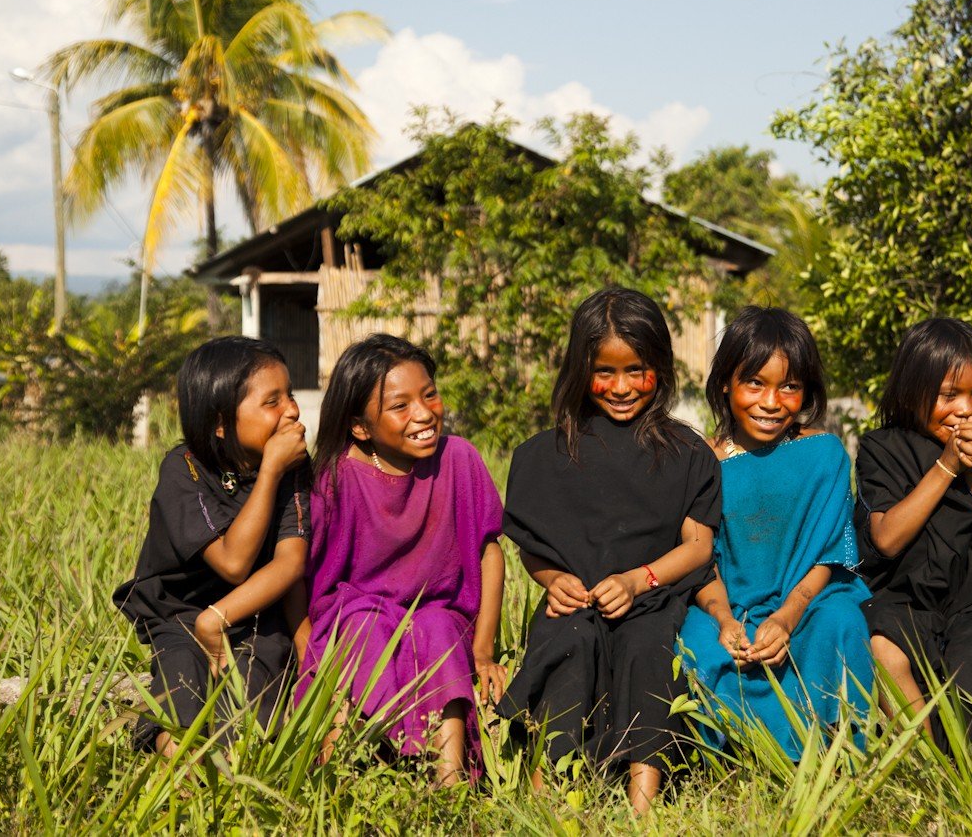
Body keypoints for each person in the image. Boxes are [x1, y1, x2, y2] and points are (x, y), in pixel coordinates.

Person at [497, 286, 719, 815]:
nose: (621, 387)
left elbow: (697, 547)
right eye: (605, 372)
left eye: (636, 370)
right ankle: (549, 790)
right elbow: (535, 546)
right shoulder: (545, 456)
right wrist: (553, 580)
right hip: (574, 603)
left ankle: (644, 802)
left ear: (660, 370)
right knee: (567, 643)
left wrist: (639, 580)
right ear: (580, 369)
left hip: (652, 600)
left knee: (647, 650)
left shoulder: (687, 453)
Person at [295, 334, 506, 786]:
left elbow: (490, 550)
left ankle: (450, 780)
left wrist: (484, 651)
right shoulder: (337, 479)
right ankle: (333, 777)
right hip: (358, 615)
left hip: (438, 613)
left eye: (429, 394)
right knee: (365, 629)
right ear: (359, 427)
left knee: (438, 629)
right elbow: (303, 575)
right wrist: (306, 650)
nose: (425, 413)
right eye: (400, 405)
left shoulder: (459, 459)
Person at [677, 307, 873, 759]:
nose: (771, 402)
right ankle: (727, 760)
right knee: (696, 644)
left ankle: (836, 753)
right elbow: (703, 559)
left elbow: (829, 556)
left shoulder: (824, 454)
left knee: (841, 624)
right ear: (725, 383)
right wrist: (727, 621)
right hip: (727, 606)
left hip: (808, 599)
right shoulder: (704, 463)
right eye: (755, 384)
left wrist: (786, 617)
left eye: (789, 387)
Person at [855, 317, 972, 759]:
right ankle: (932, 759)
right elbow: (887, 539)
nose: (965, 410)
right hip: (907, 603)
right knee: (880, 647)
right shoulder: (882, 449)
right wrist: (945, 467)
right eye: (948, 395)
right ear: (912, 392)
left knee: (971, 660)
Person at [113, 336, 311, 756]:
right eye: (272, 401)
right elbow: (234, 561)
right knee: (181, 679)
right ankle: (177, 779)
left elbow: (290, 563)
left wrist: (223, 620)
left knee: (254, 682)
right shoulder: (184, 469)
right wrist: (271, 471)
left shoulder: (291, 465)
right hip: (181, 615)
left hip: (257, 611)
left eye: (290, 395)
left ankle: (230, 768)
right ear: (221, 422)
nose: (292, 410)